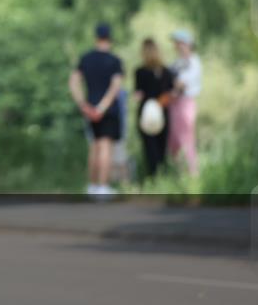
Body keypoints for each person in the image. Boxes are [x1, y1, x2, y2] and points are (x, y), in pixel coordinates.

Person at [68, 23, 124, 197]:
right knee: (106, 146)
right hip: (107, 110)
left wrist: (83, 104)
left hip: (89, 107)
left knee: (94, 146)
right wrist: (102, 108)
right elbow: (115, 88)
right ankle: (103, 186)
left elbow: (73, 82)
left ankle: (92, 185)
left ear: (96, 38)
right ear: (110, 39)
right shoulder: (115, 61)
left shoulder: (86, 59)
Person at [133, 38, 175, 178]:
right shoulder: (167, 71)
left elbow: (138, 94)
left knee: (149, 148)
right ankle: (162, 176)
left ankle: (154, 177)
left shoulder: (140, 71)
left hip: (146, 113)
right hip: (162, 111)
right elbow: (170, 93)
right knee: (162, 147)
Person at [168, 29, 201, 176]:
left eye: (180, 43)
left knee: (186, 139)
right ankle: (178, 173)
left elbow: (181, 84)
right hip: (173, 104)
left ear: (187, 44)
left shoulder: (194, 62)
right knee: (173, 141)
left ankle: (193, 174)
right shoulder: (176, 63)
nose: (177, 46)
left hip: (186, 102)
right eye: (176, 43)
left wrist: (171, 84)